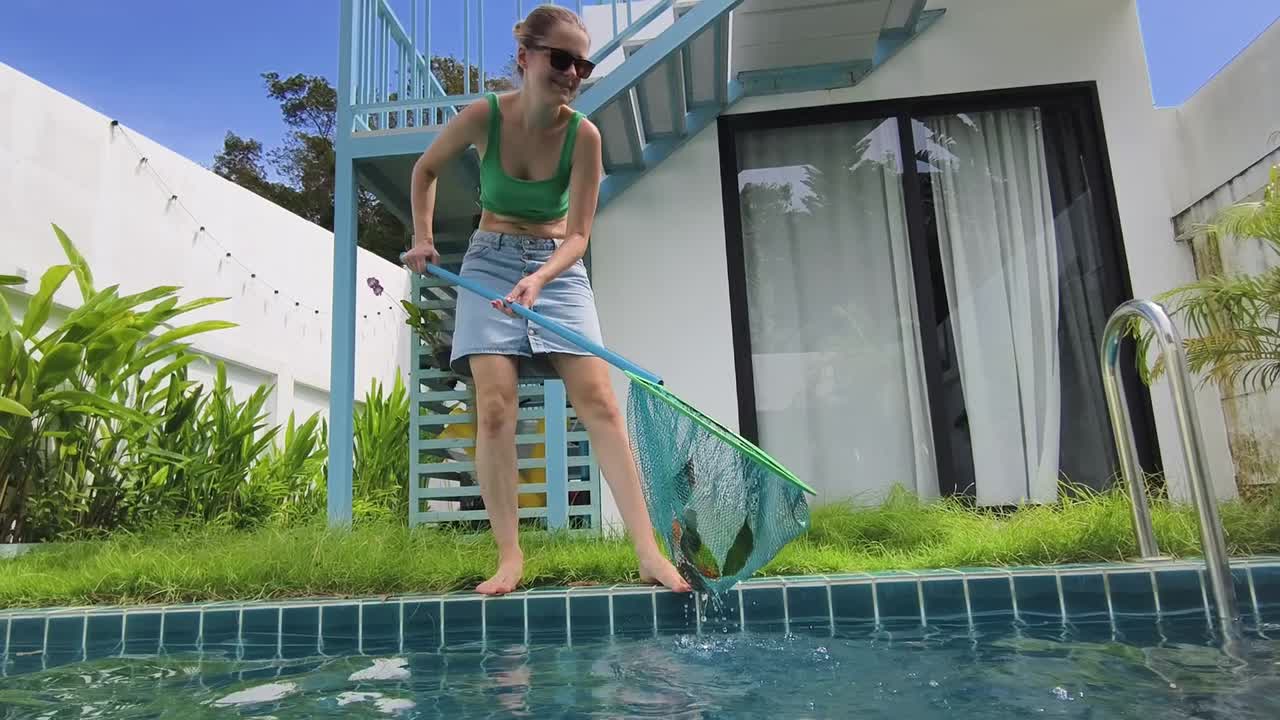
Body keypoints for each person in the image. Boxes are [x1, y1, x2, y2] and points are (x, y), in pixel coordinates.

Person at [402, 4, 691, 596]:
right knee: (495, 406)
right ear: (526, 58)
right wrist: (424, 239)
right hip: (489, 259)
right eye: (560, 60)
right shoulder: (483, 117)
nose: (571, 74)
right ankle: (509, 558)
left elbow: (580, 233)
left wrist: (541, 277)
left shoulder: (584, 137)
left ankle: (648, 553)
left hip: (557, 270)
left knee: (602, 405)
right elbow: (425, 170)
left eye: (581, 65)